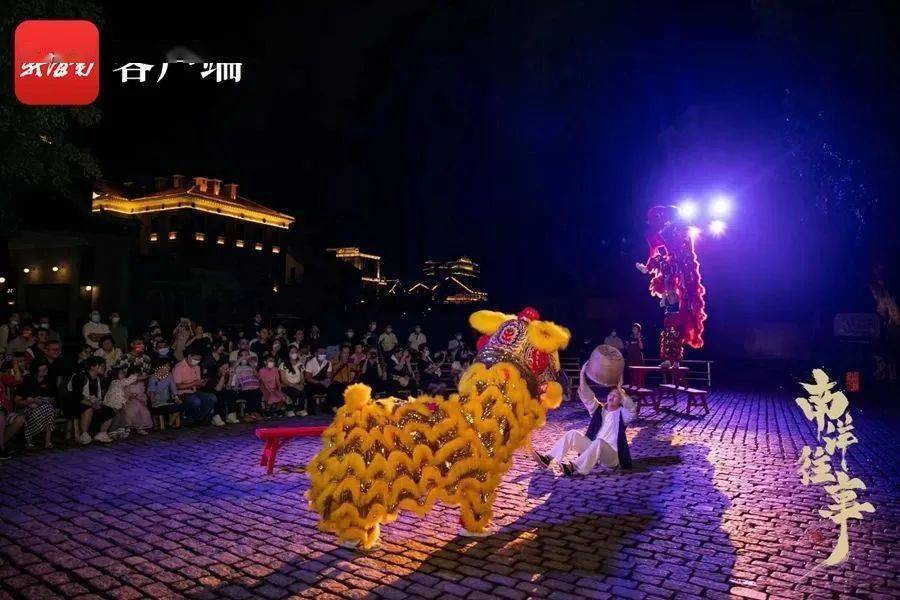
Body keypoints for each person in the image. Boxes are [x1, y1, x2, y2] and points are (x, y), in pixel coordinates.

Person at [533, 387, 635, 476]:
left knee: (599, 442)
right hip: (594, 449)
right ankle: (548, 459)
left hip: (611, 456)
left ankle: (573, 467)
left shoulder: (623, 414)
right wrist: (582, 375)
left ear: (621, 400)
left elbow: (631, 409)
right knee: (572, 433)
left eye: (616, 396)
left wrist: (622, 392)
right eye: (611, 394)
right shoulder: (599, 410)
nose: (611, 397)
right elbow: (588, 398)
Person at [13, 363, 58, 449]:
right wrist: (31, 401)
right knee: (47, 410)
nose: (45, 372)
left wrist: (47, 400)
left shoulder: (48, 381)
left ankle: (44, 441)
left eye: (46, 370)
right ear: (36, 371)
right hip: (26, 407)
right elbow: (17, 401)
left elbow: (53, 397)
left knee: (50, 409)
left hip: (43, 407)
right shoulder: (27, 380)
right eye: (43, 371)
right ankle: (31, 439)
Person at [72, 357, 115, 444]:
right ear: (92, 367)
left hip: (92, 402)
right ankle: (84, 434)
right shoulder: (80, 376)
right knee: (88, 408)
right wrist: (91, 404)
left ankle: (102, 433)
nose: (104, 368)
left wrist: (98, 403)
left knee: (109, 409)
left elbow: (99, 396)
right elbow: (77, 397)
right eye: (101, 366)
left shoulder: (99, 379)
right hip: (75, 403)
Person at [172, 350, 219, 426]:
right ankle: (189, 418)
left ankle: (198, 418)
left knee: (212, 398)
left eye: (199, 360)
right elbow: (177, 386)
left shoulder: (197, 367)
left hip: (194, 391)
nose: (197, 361)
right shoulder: (179, 367)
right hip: (181, 393)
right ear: (189, 356)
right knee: (195, 401)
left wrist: (202, 383)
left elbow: (198, 384)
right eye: (195, 359)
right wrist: (193, 383)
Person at [109, 366, 153, 435]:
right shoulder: (125, 384)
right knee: (131, 411)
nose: (135, 378)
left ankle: (140, 427)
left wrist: (139, 398)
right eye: (133, 376)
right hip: (128, 403)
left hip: (139, 402)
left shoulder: (140, 384)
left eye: (138, 376)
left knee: (143, 410)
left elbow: (143, 395)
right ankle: (126, 428)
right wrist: (130, 396)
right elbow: (124, 394)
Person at [0, 358, 25, 458]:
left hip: (3, 411)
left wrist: (15, 366)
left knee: (20, 419)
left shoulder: (2, 377)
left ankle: (1, 445)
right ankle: (1, 448)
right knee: (1, 417)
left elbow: (18, 380)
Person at [148, 359, 182, 429]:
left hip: (167, 399)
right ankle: (163, 424)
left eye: (168, 366)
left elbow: (173, 388)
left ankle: (169, 423)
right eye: (166, 366)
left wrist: (176, 398)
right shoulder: (153, 377)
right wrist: (153, 402)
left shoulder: (170, 375)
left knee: (180, 405)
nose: (168, 368)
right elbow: (152, 392)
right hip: (157, 401)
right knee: (159, 409)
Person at [230, 350, 263, 421]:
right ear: (239, 357)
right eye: (243, 355)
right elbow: (231, 369)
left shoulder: (251, 368)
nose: (245, 357)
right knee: (249, 393)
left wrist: (251, 364)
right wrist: (239, 360)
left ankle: (256, 413)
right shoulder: (237, 368)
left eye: (247, 355)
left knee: (257, 392)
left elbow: (258, 377)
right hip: (242, 389)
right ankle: (247, 414)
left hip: (254, 387)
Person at [304, 347, 333, 414]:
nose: (323, 355)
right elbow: (308, 378)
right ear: (316, 354)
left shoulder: (328, 363)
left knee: (333, 388)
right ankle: (311, 411)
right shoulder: (310, 363)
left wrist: (327, 381)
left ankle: (327, 408)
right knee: (308, 389)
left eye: (324, 353)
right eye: (321, 353)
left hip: (323, 383)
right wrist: (319, 382)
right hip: (313, 383)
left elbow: (329, 376)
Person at [280, 347, 307, 416]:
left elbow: (302, 377)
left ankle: (300, 410)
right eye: (292, 352)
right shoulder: (283, 364)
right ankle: (290, 409)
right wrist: (295, 386)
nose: (294, 354)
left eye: (295, 352)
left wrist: (301, 384)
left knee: (303, 391)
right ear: (288, 354)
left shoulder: (300, 364)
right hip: (287, 385)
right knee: (295, 391)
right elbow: (283, 379)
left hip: (298, 384)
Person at [330, 346, 353, 413]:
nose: (346, 355)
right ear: (340, 353)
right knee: (337, 389)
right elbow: (333, 369)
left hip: (346, 383)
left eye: (348, 353)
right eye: (344, 353)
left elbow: (355, 370)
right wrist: (341, 362)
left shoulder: (350, 361)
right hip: (336, 384)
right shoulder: (334, 360)